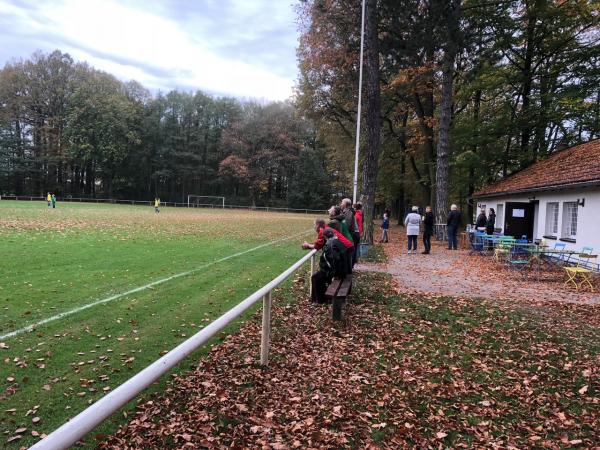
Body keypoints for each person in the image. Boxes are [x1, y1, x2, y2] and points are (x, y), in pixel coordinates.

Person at [309, 229, 348, 304]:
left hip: (336, 272)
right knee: (319, 276)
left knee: (315, 278)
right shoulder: (339, 242)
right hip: (342, 270)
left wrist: (333, 274)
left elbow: (333, 261)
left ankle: (318, 300)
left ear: (325, 237)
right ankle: (322, 298)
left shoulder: (330, 245)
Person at [341, 198, 360, 265]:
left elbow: (347, 225)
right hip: (353, 233)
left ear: (345, 204)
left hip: (353, 234)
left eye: (342, 202)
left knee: (351, 251)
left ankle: (350, 268)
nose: (341, 204)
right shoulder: (347, 211)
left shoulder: (348, 212)